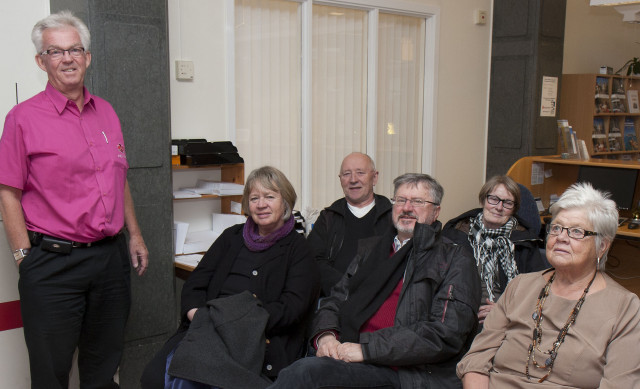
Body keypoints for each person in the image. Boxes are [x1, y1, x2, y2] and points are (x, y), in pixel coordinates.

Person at [0, 11, 149, 388]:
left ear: (87, 57)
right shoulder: (22, 118)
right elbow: (8, 192)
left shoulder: (108, 113)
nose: (67, 58)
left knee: (103, 370)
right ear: (41, 61)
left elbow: (119, 179)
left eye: (75, 49)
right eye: (56, 51)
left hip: (110, 262)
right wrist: (23, 258)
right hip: (53, 264)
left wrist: (135, 235)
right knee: (51, 375)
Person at [268, 173, 481, 389]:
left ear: (436, 211)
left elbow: (445, 334)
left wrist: (366, 349)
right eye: (400, 200)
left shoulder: (455, 258)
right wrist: (326, 336)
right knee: (300, 369)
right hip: (350, 356)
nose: (407, 208)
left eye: (417, 201)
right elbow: (336, 300)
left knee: (306, 374)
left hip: (408, 372)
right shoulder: (371, 250)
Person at [141, 166, 320, 389]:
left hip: (258, 337)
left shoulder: (299, 249)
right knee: (154, 378)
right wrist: (198, 315)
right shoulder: (231, 236)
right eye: (254, 198)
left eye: (269, 197)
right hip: (206, 326)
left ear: (285, 202)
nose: (261, 204)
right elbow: (195, 285)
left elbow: (292, 308)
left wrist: (235, 323)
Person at [457, 183, 640, 388]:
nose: (561, 237)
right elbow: (477, 360)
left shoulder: (625, 307)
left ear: (602, 246)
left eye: (577, 231)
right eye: (556, 228)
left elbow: (620, 384)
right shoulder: (520, 286)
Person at [442, 175, 547, 328]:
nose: (499, 207)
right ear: (484, 199)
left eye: (507, 203)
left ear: (514, 208)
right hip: (458, 315)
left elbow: (537, 292)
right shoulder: (455, 235)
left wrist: (503, 311)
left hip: (506, 320)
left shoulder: (526, 242)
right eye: (494, 199)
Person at [307, 152, 392, 295]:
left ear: (375, 177)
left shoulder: (392, 217)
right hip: (335, 298)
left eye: (360, 173)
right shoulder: (329, 217)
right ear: (340, 179)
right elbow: (313, 260)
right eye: (346, 174)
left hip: (379, 298)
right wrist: (345, 287)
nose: (353, 180)